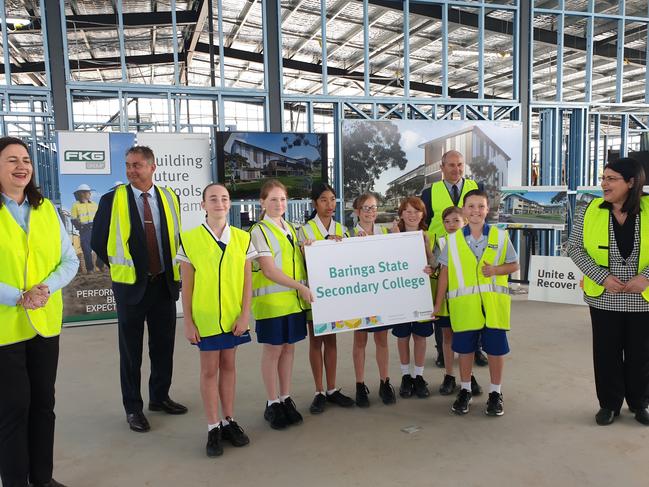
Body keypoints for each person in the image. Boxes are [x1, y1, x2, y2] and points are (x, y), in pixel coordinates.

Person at [91, 145, 187, 433]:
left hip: (163, 286)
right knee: (131, 353)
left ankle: (159, 397)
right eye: (128, 165)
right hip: (131, 288)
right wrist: (127, 269)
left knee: (163, 348)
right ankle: (133, 408)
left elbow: (174, 237)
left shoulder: (170, 198)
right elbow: (98, 241)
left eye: (137, 165)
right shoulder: (112, 200)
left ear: (152, 166)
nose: (131, 170)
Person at [0, 136, 79, 487]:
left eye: (26, 160)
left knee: (43, 405)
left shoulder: (45, 208)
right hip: (5, 329)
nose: (22, 166)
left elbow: (69, 259)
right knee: (13, 410)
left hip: (44, 324)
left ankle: (42, 479)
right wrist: (18, 296)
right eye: (11, 160)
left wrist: (45, 289)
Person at [567, 158, 649, 426]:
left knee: (642, 354)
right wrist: (602, 277)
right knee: (606, 352)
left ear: (631, 182)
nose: (604, 183)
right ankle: (609, 404)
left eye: (611, 178)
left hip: (643, 298)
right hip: (605, 297)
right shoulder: (589, 209)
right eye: (603, 178)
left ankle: (640, 404)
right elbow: (574, 248)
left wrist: (646, 278)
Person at [179, 183, 255, 457]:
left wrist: (245, 314)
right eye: (213, 198)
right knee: (210, 370)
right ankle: (213, 427)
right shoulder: (189, 239)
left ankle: (228, 420)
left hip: (234, 317)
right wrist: (188, 321)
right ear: (203, 205)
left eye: (224, 198)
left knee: (230, 366)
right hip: (206, 319)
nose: (219, 203)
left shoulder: (243, 238)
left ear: (230, 203)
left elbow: (248, 282)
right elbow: (186, 286)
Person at [434, 190, 519, 417]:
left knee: (495, 350)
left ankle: (495, 393)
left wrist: (496, 270)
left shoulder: (500, 237)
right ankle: (465, 390)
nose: (476, 211)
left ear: (487, 209)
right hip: (465, 307)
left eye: (480, 206)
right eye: (471, 206)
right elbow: (445, 273)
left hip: (493, 305)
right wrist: (437, 304)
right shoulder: (451, 241)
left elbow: (514, 265)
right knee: (465, 350)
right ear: (463, 209)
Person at [249, 180, 313, 430]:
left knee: (288, 349)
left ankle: (285, 397)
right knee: (273, 351)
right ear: (262, 202)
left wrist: (308, 250)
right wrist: (301, 287)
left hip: (293, 303)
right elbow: (269, 270)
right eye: (273, 199)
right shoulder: (259, 231)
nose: (279, 204)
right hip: (273, 303)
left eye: (283, 199)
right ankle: (272, 402)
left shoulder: (293, 229)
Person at [420, 150, 487, 368]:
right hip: (441, 255)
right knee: (443, 304)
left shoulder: (475, 189)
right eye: (451, 165)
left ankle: (476, 349)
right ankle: (442, 351)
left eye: (459, 164)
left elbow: (484, 218)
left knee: (473, 301)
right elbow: (424, 222)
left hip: (470, 252)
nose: (456, 169)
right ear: (442, 167)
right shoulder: (430, 192)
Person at [298, 183, 355, 413]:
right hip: (315, 293)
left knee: (331, 341)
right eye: (324, 200)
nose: (329, 204)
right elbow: (301, 262)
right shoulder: (305, 231)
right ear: (315, 203)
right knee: (316, 341)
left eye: (332, 199)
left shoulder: (342, 229)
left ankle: (331, 389)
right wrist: (310, 248)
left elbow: (351, 260)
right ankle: (319, 390)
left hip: (336, 294)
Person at [348, 193, 396, 407]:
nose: (370, 212)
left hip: (381, 296)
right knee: (360, 341)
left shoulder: (385, 233)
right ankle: (360, 384)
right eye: (366, 208)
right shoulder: (347, 235)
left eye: (373, 207)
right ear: (357, 211)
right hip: (359, 296)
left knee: (382, 340)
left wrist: (398, 238)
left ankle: (385, 381)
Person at [433, 206, 482, 397]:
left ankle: (468, 376)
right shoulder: (442, 242)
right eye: (447, 221)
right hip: (446, 299)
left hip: (466, 300)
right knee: (447, 338)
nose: (451, 225)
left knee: (466, 340)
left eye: (456, 221)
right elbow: (436, 267)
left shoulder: (473, 243)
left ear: (466, 222)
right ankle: (449, 375)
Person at [390, 196, 435, 399]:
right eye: (407, 211)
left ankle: (418, 376)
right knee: (402, 336)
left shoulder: (429, 236)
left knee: (420, 336)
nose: (412, 215)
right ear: (400, 214)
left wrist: (430, 264)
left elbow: (435, 263)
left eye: (416, 211)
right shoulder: (391, 235)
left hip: (421, 293)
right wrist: (395, 239)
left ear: (422, 214)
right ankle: (405, 376)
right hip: (400, 294)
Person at [71, 183, 104, 273]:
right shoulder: (75, 205)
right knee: (86, 250)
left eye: (89, 192)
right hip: (84, 230)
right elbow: (73, 219)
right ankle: (90, 269)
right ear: (82, 193)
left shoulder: (94, 204)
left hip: (96, 228)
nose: (89, 194)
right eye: (88, 192)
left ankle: (100, 266)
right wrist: (80, 228)